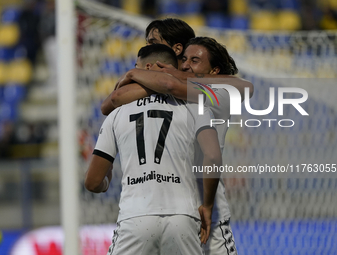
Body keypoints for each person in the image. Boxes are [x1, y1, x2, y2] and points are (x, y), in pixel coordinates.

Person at [103, 37, 240, 255]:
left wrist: (134, 74)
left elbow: (166, 85)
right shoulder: (183, 99)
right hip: (183, 214)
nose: (185, 65)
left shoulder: (219, 94)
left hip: (210, 217)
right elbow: (114, 99)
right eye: (183, 59)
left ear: (214, 72)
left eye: (195, 60)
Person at [101, 18, 253, 115]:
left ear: (177, 49)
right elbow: (111, 101)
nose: (146, 47)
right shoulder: (150, 79)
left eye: (153, 42)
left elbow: (245, 88)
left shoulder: (197, 87)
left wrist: (175, 76)